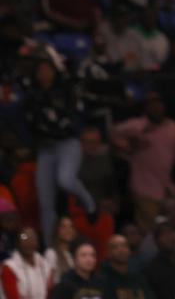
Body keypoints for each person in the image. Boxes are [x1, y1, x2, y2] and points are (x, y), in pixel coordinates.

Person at [24, 60, 96, 246]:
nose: (44, 73)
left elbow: (74, 116)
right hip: (46, 149)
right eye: (40, 70)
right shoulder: (32, 95)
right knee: (45, 202)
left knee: (65, 180)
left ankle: (89, 204)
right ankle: (49, 249)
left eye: (48, 69)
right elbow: (29, 123)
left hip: (67, 143)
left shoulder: (65, 90)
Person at [110, 95, 175, 231]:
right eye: (152, 104)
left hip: (167, 188)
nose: (156, 108)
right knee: (149, 230)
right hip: (143, 187)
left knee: (172, 227)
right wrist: (129, 144)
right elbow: (113, 133)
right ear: (146, 107)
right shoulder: (137, 126)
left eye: (159, 104)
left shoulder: (173, 127)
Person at [1, 229, 51, 299]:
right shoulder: (9, 267)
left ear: (38, 243)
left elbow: (49, 293)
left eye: (32, 238)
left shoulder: (44, 265)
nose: (29, 241)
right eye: (24, 237)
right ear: (17, 242)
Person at [141, 225, 175, 299]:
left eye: (171, 233)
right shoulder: (150, 269)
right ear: (156, 241)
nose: (168, 237)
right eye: (164, 235)